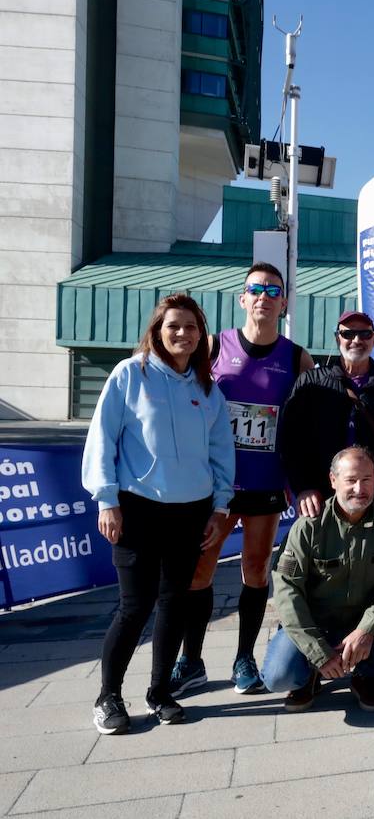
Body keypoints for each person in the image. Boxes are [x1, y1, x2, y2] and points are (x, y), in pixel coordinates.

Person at [82, 293, 234, 733]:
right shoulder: (130, 375)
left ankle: (159, 692)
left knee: (174, 604)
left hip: (190, 513)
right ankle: (108, 695)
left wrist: (220, 506)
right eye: (174, 325)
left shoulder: (208, 389)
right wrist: (107, 499)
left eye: (191, 327)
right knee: (135, 606)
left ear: (201, 336)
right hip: (137, 510)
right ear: (158, 330)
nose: (182, 333)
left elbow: (221, 452)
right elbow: (102, 439)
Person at [171, 263, 313, 700]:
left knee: (255, 570)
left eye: (273, 290)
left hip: (265, 484)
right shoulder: (215, 346)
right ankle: (190, 660)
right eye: (256, 289)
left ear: (284, 302)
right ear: (243, 299)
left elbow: (309, 424)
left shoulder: (295, 356)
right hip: (215, 486)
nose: (264, 296)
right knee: (200, 571)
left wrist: (305, 480)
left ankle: (244, 658)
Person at [262, 446, 374, 712]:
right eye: (350, 480)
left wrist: (367, 629)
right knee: (278, 676)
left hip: (362, 625)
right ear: (333, 480)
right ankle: (309, 675)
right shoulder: (309, 526)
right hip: (315, 626)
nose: (359, 488)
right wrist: (318, 652)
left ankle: (366, 677)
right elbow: (287, 592)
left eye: (366, 479)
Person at [277, 310, 374, 525]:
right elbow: (291, 442)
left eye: (365, 334)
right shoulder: (310, 383)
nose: (356, 340)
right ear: (337, 338)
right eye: (348, 334)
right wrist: (304, 488)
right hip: (320, 501)